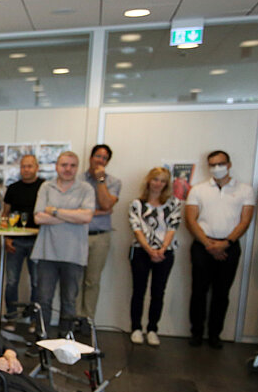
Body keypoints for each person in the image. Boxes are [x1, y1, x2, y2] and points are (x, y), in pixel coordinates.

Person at [185, 150, 255, 348]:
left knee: (221, 293)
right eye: (213, 165)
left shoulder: (245, 190)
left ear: (229, 164)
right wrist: (208, 244)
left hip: (229, 246)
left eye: (221, 164)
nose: (217, 168)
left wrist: (226, 243)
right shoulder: (198, 189)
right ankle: (196, 333)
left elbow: (245, 221)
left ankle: (215, 334)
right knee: (198, 291)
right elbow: (190, 220)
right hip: (202, 246)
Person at [31, 151, 94, 337]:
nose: (68, 169)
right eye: (64, 165)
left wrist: (55, 211)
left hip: (74, 254)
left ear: (77, 167)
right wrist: (73, 215)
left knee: (69, 300)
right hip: (46, 253)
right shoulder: (46, 187)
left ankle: (66, 340)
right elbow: (38, 217)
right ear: (57, 166)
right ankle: (42, 340)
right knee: (43, 300)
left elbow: (87, 216)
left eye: (72, 165)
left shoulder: (86, 189)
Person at [127, 167, 181, 346]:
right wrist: (150, 250)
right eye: (155, 179)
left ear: (167, 184)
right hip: (141, 251)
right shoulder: (137, 204)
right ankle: (136, 328)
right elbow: (137, 229)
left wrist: (162, 249)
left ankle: (152, 329)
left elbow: (173, 228)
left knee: (158, 292)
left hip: (165, 253)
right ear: (149, 181)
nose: (158, 183)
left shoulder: (174, 203)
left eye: (163, 181)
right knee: (138, 291)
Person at [79, 144, 121, 319]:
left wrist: (100, 180)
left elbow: (106, 204)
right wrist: (100, 212)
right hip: (78, 235)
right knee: (73, 280)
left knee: (92, 281)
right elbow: (74, 209)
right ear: (90, 157)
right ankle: (71, 318)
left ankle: (86, 319)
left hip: (100, 237)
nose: (100, 160)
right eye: (97, 156)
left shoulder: (113, 182)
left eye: (104, 158)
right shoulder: (78, 179)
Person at [1, 154, 44, 322]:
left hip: (38, 241)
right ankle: (11, 317)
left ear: (36, 168)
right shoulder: (13, 188)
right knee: (11, 281)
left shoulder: (44, 187)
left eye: (30, 166)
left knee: (36, 282)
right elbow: (5, 214)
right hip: (15, 241)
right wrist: (6, 238)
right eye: (23, 166)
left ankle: (34, 321)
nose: (26, 169)